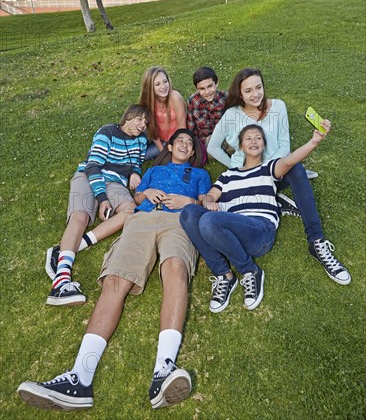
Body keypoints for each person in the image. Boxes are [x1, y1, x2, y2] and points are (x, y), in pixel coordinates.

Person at [17, 129, 211, 411]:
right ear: (170, 146)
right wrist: (148, 192)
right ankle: (79, 378)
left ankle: (164, 370)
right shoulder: (153, 171)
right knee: (115, 280)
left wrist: (189, 202)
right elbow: (139, 192)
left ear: (193, 153)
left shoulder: (200, 175)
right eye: (179, 141)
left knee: (176, 270)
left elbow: (207, 203)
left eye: (189, 144)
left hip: (179, 222)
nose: (183, 145)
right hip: (142, 220)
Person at [181, 122, 351, 314]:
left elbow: (290, 161)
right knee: (188, 213)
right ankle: (224, 275)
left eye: (258, 138)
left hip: (259, 233)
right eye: (248, 138)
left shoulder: (269, 169)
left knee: (209, 221)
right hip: (228, 235)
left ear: (263, 145)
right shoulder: (228, 175)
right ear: (241, 146)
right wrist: (210, 200)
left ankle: (250, 271)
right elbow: (212, 194)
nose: (253, 141)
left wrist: (314, 142)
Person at [206, 68, 351, 284]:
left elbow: (285, 146)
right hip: (246, 179)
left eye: (258, 87)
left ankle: (317, 241)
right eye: (248, 91)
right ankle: (274, 200)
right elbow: (213, 148)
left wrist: (266, 171)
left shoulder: (279, 107)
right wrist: (236, 170)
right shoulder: (231, 115)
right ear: (240, 93)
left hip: (274, 171)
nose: (255, 94)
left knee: (296, 168)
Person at [44, 104, 150, 307]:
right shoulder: (107, 131)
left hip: (116, 182)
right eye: (139, 119)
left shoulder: (141, 140)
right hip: (90, 176)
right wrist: (102, 198)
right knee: (81, 217)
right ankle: (61, 283)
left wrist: (135, 172)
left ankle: (66, 249)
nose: (142, 125)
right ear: (128, 117)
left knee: (130, 211)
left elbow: (136, 161)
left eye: (146, 123)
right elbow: (93, 165)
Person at [138, 66, 187, 160]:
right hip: (153, 135)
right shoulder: (149, 101)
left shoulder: (175, 98)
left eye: (165, 81)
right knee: (133, 140)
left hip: (169, 140)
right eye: (157, 84)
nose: (163, 87)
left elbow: (182, 129)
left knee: (141, 156)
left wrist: (163, 151)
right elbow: (152, 128)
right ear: (150, 87)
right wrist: (161, 150)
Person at [187, 66, 227, 147]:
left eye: (210, 86)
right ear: (197, 89)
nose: (207, 92)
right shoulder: (192, 101)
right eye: (202, 89)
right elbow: (190, 126)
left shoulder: (226, 98)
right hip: (204, 141)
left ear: (217, 83)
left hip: (224, 137)